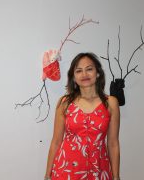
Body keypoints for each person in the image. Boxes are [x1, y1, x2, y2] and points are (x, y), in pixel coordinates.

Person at [44, 52, 120, 180]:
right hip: (66, 170)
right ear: (74, 77)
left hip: (99, 170)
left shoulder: (111, 103)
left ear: (98, 73)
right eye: (79, 71)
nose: (84, 74)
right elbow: (56, 141)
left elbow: (113, 143)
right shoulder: (65, 103)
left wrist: (116, 176)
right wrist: (47, 175)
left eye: (89, 69)